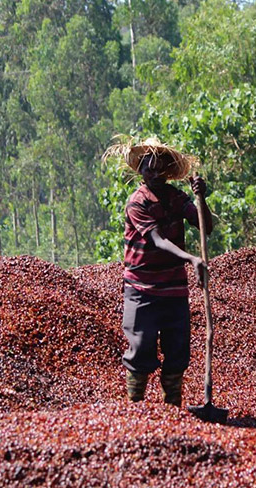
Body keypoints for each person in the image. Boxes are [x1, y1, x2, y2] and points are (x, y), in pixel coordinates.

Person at [104, 137, 213, 406]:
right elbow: (157, 240)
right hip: (142, 288)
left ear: (167, 169)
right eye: (147, 168)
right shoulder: (137, 202)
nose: (153, 173)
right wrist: (191, 259)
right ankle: (136, 407)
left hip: (174, 289)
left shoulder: (178, 198)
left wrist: (202, 199)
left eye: (158, 168)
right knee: (140, 349)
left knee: (178, 351)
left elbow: (205, 227)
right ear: (140, 170)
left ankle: (172, 408)